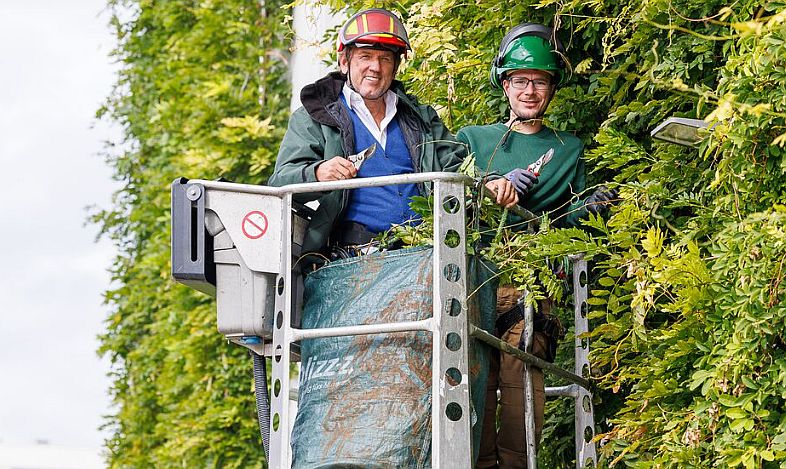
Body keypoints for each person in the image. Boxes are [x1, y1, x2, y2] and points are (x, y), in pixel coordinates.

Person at [457, 23, 617, 468]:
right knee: (475, 386)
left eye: (540, 81)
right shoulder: (474, 140)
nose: (530, 90)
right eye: (522, 81)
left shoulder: (568, 148)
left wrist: (593, 209)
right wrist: (487, 185)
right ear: (505, 84)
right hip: (473, 278)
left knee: (521, 392)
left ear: (551, 88)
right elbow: (445, 203)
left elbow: (570, 221)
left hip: (531, 284)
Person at [269, 8, 516, 258]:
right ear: (345, 62)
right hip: (351, 258)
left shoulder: (420, 118)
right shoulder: (315, 116)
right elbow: (279, 182)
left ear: (396, 65)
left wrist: (490, 182)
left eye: (385, 59)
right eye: (365, 56)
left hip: (425, 253)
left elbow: (458, 166)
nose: (375, 67)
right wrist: (318, 173)